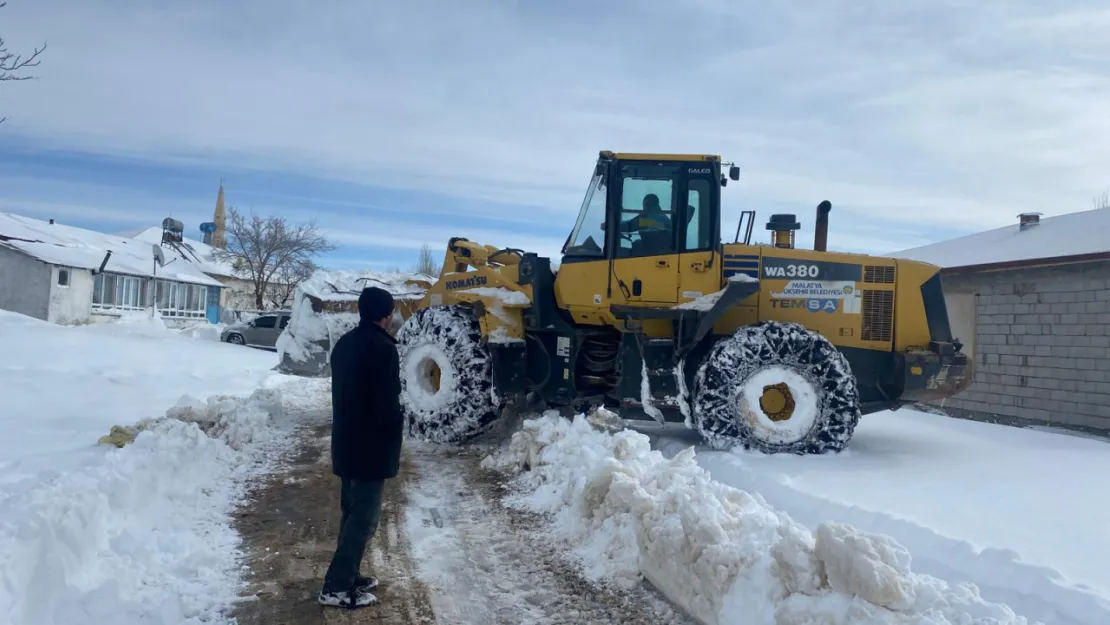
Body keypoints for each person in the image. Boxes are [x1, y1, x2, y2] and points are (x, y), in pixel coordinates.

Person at [317, 286, 403, 609]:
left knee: (352, 515)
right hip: (370, 448)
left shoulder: (344, 344)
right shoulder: (383, 349)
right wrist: (397, 424)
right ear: (386, 314)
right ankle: (336, 587)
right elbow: (386, 405)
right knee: (364, 520)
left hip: (347, 444)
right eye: (392, 311)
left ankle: (347, 574)